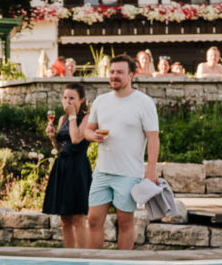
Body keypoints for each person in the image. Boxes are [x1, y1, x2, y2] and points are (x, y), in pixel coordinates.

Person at [84, 55, 160, 250]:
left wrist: (151, 170)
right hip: (102, 171)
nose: (114, 76)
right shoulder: (101, 101)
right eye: (111, 72)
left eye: (119, 72)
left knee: (124, 222)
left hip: (128, 174)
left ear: (131, 75)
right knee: (93, 220)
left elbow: (153, 138)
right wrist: (93, 136)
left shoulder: (143, 102)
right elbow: (87, 130)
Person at [42, 84, 92, 248]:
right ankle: (69, 256)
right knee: (65, 218)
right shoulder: (63, 119)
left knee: (78, 217)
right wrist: (52, 136)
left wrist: (72, 116)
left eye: (72, 98)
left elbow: (76, 138)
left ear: (82, 100)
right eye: (65, 97)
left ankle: (83, 257)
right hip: (62, 166)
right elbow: (60, 147)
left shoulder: (87, 117)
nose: (67, 101)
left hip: (77, 167)